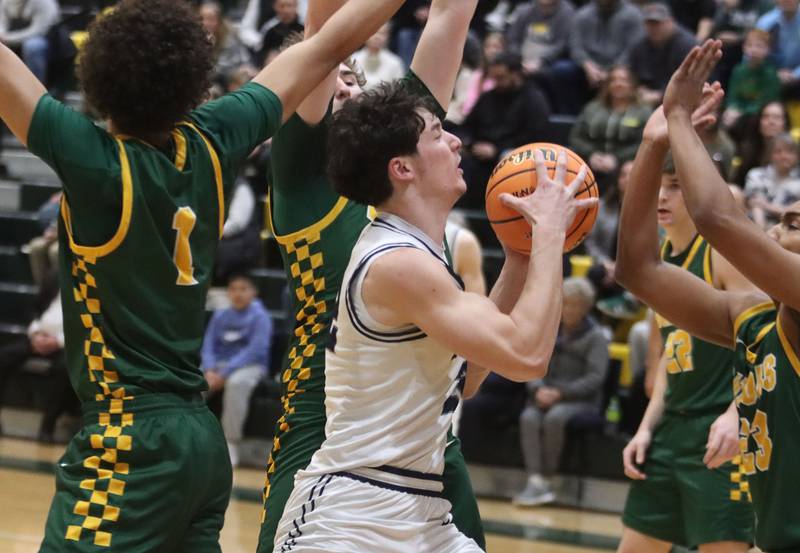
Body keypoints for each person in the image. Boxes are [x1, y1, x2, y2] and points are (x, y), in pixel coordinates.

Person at [0, 0, 406, 549]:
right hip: (199, 441)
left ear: (98, 77)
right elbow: (326, 47)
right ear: (194, 78)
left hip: (129, 441)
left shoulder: (94, 162)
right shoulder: (216, 137)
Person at [272, 79, 596, 551]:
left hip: (420, 507)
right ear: (402, 168)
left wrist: (520, 258)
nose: (455, 141)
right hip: (351, 516)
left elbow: (468, 376)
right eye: (437, 134)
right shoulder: (396, 263)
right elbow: (526, 356)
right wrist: (548, 234)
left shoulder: (421, 255)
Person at [257, 1, 487, 550]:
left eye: (353, 86)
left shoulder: (405, 161)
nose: (344, 91)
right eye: (331, 87)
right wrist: (325, 52)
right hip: (326, 428)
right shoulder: (302, 183)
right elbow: (324, 40)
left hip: (423, 429)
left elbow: (451, 16)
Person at [619, 39, 800, 551]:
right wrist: (653, 147)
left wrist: (677, 117)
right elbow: (638, 270)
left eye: (798, 220)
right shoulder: (754, 318)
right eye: (781, 218)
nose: (781, 225)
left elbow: (717, 219)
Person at [617, 150, 759, 552]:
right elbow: (668, 358)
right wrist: (646, 428)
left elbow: (765, 343)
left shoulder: (721, 256)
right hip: (671, 433)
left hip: (720, 432)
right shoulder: (658, 261)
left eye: (676, 187)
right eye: (659, 186)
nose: (662, 196)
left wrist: (737, 415)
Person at [514, 277, 609, 507]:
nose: (569, 309)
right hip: (546, 395)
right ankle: (535, 480)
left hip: (580, 400)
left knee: (556, 418)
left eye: (575, 304)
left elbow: (596, 378)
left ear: (586, 307)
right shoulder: (549, 329)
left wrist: (560, 393)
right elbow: (531, 362)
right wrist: (537, 389)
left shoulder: (597, 336)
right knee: (528, 417)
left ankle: (547, 480)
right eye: (565, 303)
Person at [202, 274, 272, 466]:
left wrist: (224, 374)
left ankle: (230, 442)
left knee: (236, 383)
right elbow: (208, 345)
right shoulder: (220, 314)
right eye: (233, 289)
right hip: (217, 366)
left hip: (250, 366)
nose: (238, 294)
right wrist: (209, 369)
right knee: (194, 381)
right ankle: (189, 438)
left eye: (243, 289)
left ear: (253, 292)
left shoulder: (260, 316)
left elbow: (255, 350)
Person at [569, 65, 652, 191]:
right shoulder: (592, 108)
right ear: (607, 85)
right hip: (591, 160)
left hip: (626, 163)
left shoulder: (644, 111)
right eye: (614, 80)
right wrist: (592, 154)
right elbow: (575, 137)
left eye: (624, 80)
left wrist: (617, 158)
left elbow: (645, 142)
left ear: (633, 85)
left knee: (629, 171)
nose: (618, 83)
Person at [628, 3, 697, 106]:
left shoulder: (687, 45)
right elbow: (633, 73)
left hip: (680, 101)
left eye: (658, 23)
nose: (654, 28)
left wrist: (660, 95)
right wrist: (638, 88)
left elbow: (692, 81)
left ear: (671, 22)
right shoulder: (639, 45)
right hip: (645, 99)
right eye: (649, 24)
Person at [721, 29, 780, 132]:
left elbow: (764, 102)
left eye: (759, 46)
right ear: (744, 48)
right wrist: (732, 109)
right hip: (737, 113)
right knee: (726, 117)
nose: (754, 50)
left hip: (757, 114)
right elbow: (732, 96)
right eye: (750, 45)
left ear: (768, 50)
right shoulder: (738, 71)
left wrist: (742, 112)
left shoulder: (770, 74)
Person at [744, 132, 800, 228]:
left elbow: (795, 215)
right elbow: (755, 204)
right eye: (778, 152)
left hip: (787, 229)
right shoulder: (756, 174)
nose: (784, 157)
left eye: (789, 152)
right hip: (755, 225)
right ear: (770, 155)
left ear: (797, 156)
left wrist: (767, 206)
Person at [0, 0, 59, 82]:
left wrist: (7, 38)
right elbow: (2, 24)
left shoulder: (44, 2)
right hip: (13, 37)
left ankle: (36, 87)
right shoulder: (5, 2)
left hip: (48, 39)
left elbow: (38, 31)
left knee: (32, 46)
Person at [199, 0, 253, 86]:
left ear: (219, 21)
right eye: (202, 19)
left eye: (211, 19)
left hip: (229, 76)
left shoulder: (228, 37)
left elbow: (223, 70)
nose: (206, 23)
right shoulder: (194, 36)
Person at [352, 23, 405, 89]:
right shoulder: (353, 59)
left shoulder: (395, 62)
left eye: (382, 33)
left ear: (388, 37)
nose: (377, 37)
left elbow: (398, 89)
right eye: (374, 32)